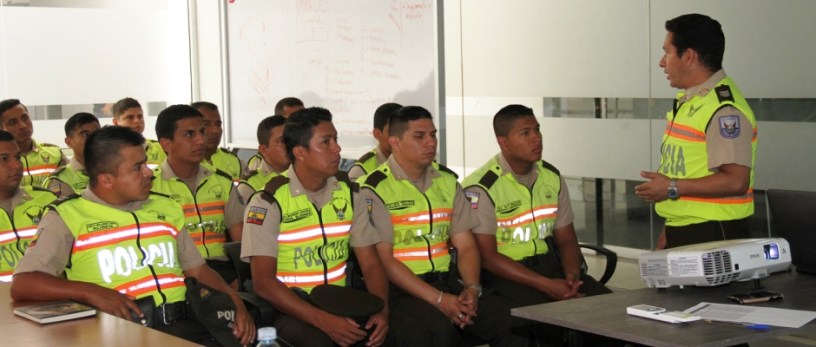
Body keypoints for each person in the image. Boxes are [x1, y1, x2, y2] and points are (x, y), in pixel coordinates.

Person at [10, 126, 254, 346]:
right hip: (120, 331)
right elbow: (24, 283)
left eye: (146, 163)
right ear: (106, 179)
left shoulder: (165, 207)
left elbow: (198, 270)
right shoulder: (67, 216)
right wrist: (89, 292)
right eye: (138, 167)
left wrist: (237, 305)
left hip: (186, 324)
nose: (149, 172)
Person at [358, 106, 526, 347]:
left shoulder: (447, 182)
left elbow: (466, 245)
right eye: (419, 136)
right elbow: (385, 261)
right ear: (395, 142)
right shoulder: (374, 188)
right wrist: (438, 300)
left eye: (433, 135)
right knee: (438, 332)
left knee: (512, 319)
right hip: (402, 289)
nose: (430, 143)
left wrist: (471, 288)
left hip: (447, 281)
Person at [241, 108, 396, 346]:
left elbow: (372, 263)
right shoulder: (268, 202)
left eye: (336, 139)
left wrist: (381, 310)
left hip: (341, 301)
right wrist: (323, 320)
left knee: (396, 334)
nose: (337, 149)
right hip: (290, 307)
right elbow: (263, 283)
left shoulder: (351, 193)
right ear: (300, 152)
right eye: (326, 142)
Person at [462, 104, 612, 343]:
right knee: (544, 327)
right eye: (525, 133)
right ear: (504, 142)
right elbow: (488, 258)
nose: (536, 139)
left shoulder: (551, 177)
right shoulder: (481, 187)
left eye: (537, 130)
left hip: (551, 268)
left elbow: (567, 240)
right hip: (507, 276)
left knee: (610, 311)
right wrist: (546, 286)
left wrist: (572, 277)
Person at [635, 14, 757, 249]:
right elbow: (689, 170)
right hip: (688, 228)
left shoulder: (723, 109)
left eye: (667, 52)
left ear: (689, 56)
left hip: (713, 232)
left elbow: (735, 181)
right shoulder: (693, 101)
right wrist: (670, 230)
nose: (662, 62)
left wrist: (670, 187)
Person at [150, 104, 245, 287]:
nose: (201, 140)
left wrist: (239, 278)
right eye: (189, 134)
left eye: (201, 132)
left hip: (224, 271)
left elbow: (240, 242)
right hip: (178, 274)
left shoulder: (222, 182)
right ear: (166, 144)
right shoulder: (151, 187)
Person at [0, 130, 58, 282]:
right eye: (4, 159)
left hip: (49, 296)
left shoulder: (47, 200)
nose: (16, 165)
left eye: (18, 157)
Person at [0, 99, 65, 188]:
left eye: (25, 118)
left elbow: (69, 186)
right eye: (13, 122)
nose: (23, 125)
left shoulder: (55, 153)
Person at [44, 112, 100, 197]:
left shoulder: (114, 170)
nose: (93, 139)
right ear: (69, 142)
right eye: (85, 135)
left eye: (97, 134)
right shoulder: (59, 180)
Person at [236, 115, 289, 204]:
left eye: (291, 139)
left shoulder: (304, 176)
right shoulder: (249, 186)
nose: (289, 145)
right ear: (264, 149)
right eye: (282, 141)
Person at [348, 102, 402, 181]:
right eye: (393, 131)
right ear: (377, 134)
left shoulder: (418, 162)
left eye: (404, 131)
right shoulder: (362, 171)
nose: (400, 137)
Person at [191, 101, 244, 181]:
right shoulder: (183, 165)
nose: (215, 130)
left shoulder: (235, 162)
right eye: (206, 124)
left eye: (218, 124)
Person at [112, 97, 166, 169]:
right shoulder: (108, 152)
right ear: (116, 122)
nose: (137, 121)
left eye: (140, 116)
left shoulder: (161, 147)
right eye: (130, 117)